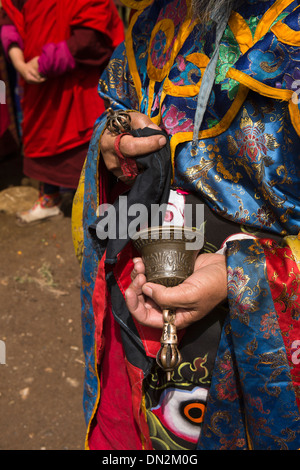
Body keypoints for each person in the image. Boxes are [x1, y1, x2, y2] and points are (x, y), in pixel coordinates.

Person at [72, 0, 300, 450]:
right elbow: (116, 112)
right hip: (139, 306)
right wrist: (115, 142)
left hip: (253, 340)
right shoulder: (159, 14)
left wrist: (245, 274)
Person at [0, 0, 124, 224]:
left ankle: (102, 207)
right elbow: (11, 17)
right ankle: (49, 200)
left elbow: (91, 37)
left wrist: (48, 61)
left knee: (88, 148)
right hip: (36, 84)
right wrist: (19, 62)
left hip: (77, 82)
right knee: (42, 137)